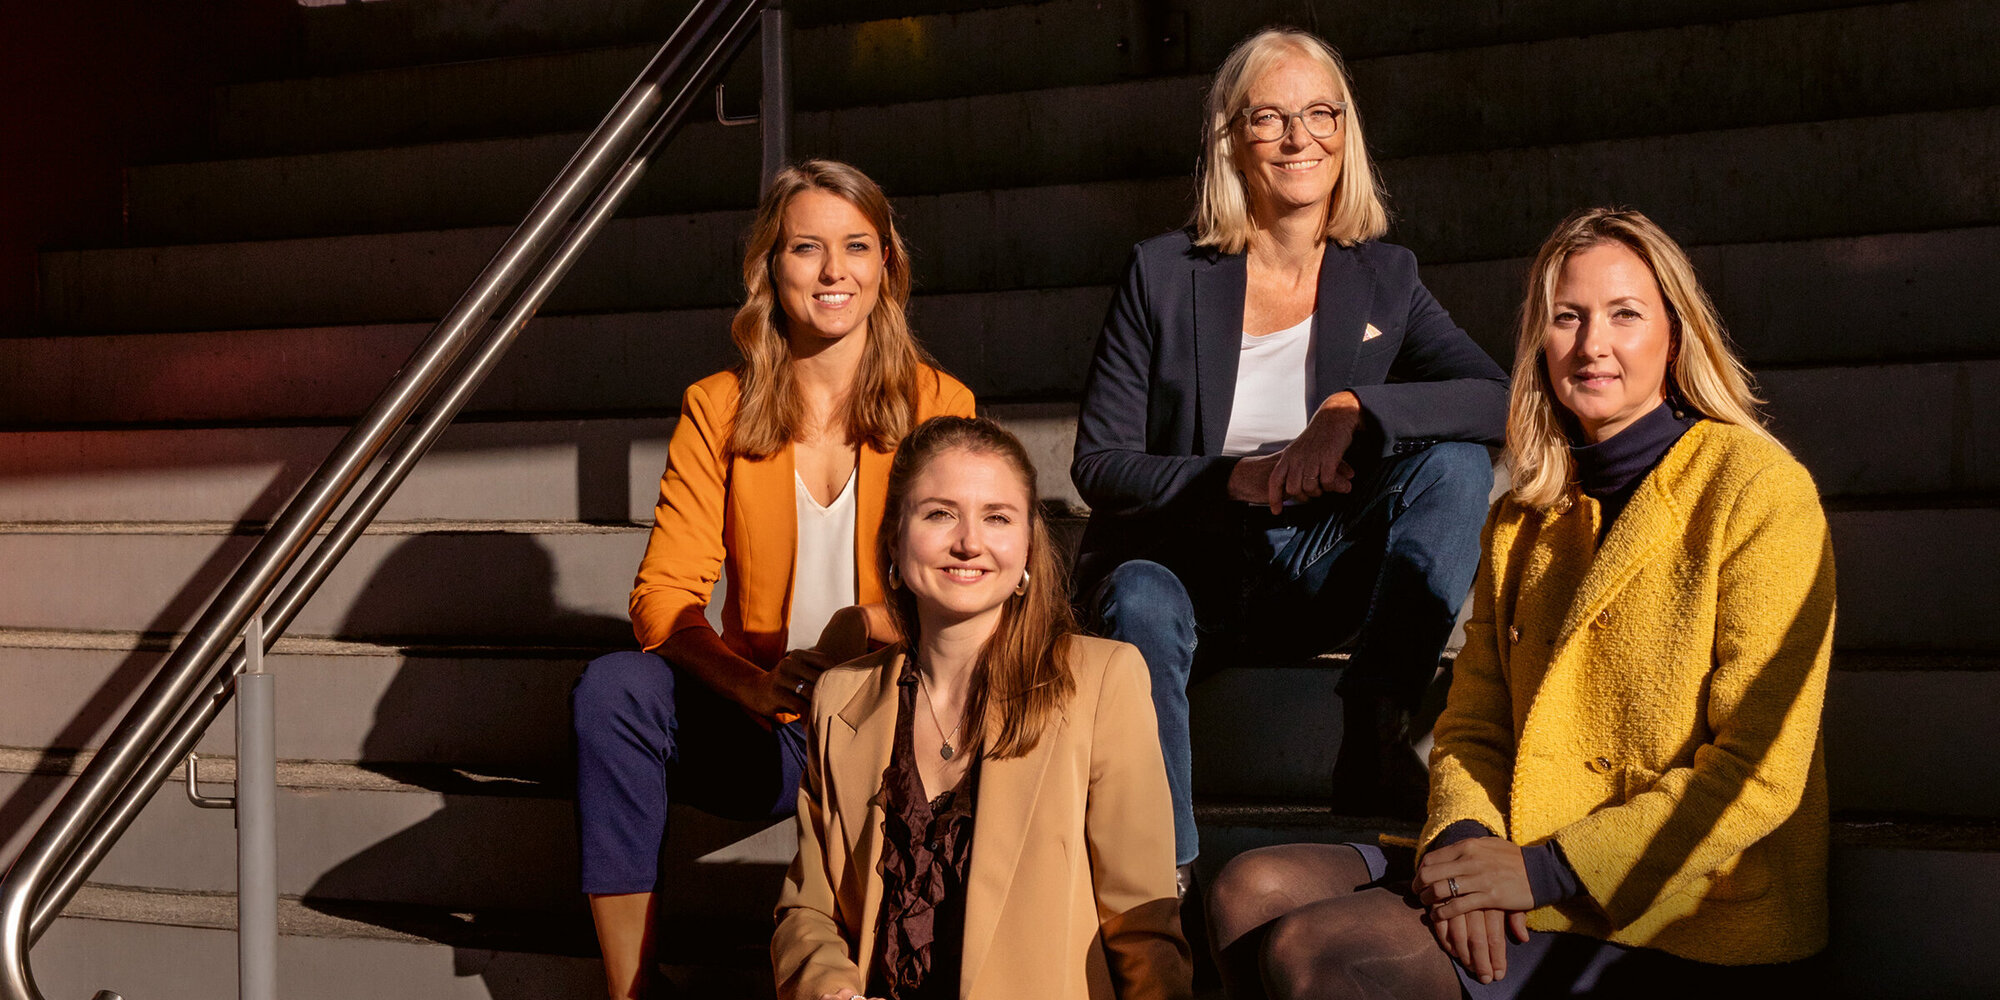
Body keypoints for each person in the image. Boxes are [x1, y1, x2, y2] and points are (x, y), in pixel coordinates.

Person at [1203, 207, 1836, 999]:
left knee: (1322, 951)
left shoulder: (1757, 490)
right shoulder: (1525, 514)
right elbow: (1474, 724)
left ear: (1675, 337)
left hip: (1679, 906)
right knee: (1249, 890)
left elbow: (1759, 773)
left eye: (1625, 314)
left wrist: (1542, 872)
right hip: (1516, 854)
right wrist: (1465, 839)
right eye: (1567, 317)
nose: (1592, 344)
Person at [1071, 25, 1508, 874]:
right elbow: (1100, 464)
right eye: (1269, 117)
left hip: (1315, 564)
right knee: (1139, 596)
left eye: (1320, 114)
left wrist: (1354, 408)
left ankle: (1376, 728)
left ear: (1345, 130)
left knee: (1455, 467)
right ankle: (1163, 878)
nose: (1298, 137)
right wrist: (1237, 478)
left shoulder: (1384, 275)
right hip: (1182, 563)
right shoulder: (1163, 273)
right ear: (1232, 138)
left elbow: (1495, 397)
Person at [571, 160, 975, 999]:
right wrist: (747, 685)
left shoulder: (940, 405)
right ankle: (632, 990)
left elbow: (966, 582)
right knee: (614, 691)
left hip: (894, 715)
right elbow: (663, 595)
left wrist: (867, 625)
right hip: (772, 723)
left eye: (856, 246)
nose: (833, 272)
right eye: (806, 248)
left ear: (887, 264)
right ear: (770, 266)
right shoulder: (717, 407)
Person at [773, 416, 1193, 1000]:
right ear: (894, 540)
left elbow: (1143, 926)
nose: (969, 542)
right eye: (939, 514)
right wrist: (828, 990)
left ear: (1027, 548)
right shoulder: (841, 698)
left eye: (997, 517)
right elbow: (809, 910)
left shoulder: (1103, 682)